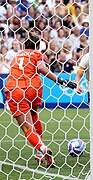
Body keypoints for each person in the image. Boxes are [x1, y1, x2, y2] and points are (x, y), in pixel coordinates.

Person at [5, 34, 77, 168]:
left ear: (24, 45)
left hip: (15, 88)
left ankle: (42, 149)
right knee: (33, 114)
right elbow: (42, 69)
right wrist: (60, 80)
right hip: (33, 88)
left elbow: (36, 69)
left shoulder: (17, 56)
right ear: (37, 46)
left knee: (27, 127)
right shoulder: (37, 54)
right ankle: (40, 154)